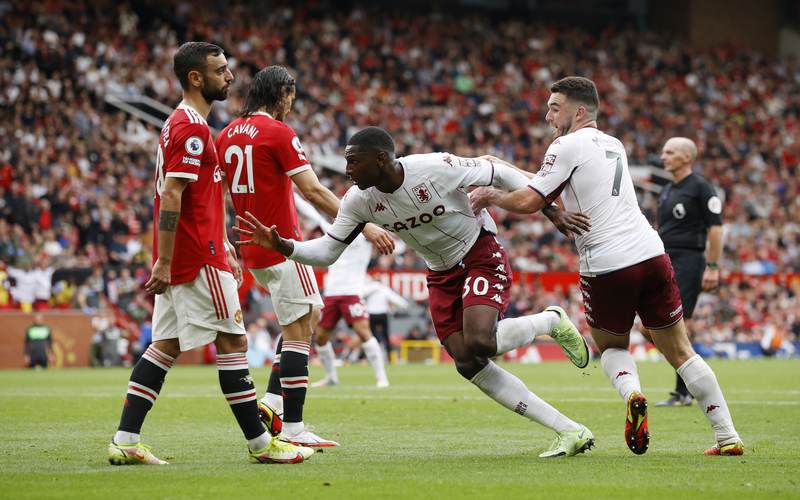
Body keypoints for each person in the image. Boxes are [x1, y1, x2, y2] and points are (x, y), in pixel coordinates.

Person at [234, 126, 598, 459]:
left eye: (353, 162)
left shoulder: (435, 166)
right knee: (465, 359)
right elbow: (328, 251)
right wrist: (284, 245)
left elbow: (497, 171)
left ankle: (550, 320)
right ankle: (569, 430)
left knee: (481, 342)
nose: (347, 171)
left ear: (380, 160)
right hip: (440, 274)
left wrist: (548, 210)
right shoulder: (358, 201)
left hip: (478, 253)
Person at [470, 76, 743, 456]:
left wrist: (492, 193)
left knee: (613, 347)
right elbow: (556, 184)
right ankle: (727, 436)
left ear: (578, 111)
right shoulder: (613, 144)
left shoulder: (565, 144)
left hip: (607, 263)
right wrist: (503, 166)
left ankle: (633, 395)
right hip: (652, 254)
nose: (548, 115)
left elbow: (530, 201)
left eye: (554, 107)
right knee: (682, 351)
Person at [106, 42, 312, 466]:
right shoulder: (193, 129)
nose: (231, 77)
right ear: (196, 78)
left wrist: (226, 245)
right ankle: (261, 444)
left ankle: (125, 439)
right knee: (233, 340)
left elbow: (203, 193)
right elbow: (172, 193)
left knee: (163, 346)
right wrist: (166, 259)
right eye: (221, 71)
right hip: (198, 254)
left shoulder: (180, 123)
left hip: (199, 249)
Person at [215, 66, 394, 448]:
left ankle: (274, 400)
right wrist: (364, 224)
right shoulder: (278, 133)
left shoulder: (226, 134)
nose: (291, 107)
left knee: (307, 318)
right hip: (283, 244)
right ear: (280, 92)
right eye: (291, 98)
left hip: (251, 245)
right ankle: (292, 426)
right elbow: (312, 191)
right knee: (300, 334)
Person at [644, 137, 724, 407]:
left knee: (678, 325)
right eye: (663, 151)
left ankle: (684, 392)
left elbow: (716, 228)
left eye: (670, 152)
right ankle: (692, 371)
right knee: (646, 327)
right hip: (664, 259)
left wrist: (712, 266)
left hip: (689, 260)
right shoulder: (666, 190)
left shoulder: (701, 187)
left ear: (687, 157)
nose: (663, 156)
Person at [292, 193, 390, 388]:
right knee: (320, 337)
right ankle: (331, 377)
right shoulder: (331, 232)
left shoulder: (364, 235)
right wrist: (291, 192)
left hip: (353, 293)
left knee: (363, 332)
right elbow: (310, 212)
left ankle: (382, 377)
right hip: (331, 294)